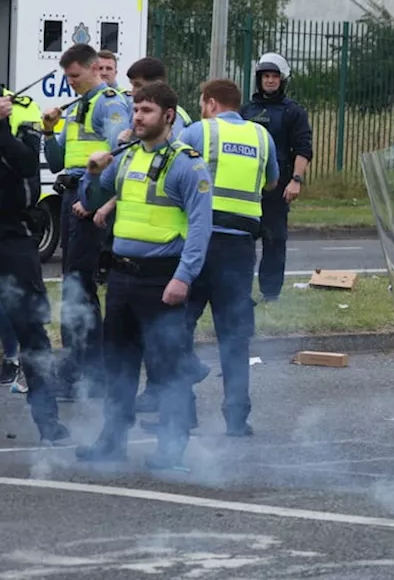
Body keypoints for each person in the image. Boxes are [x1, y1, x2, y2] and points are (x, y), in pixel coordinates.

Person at [74, 82, 213, 470]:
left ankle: (172, 448)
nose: (137, 117)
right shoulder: (128, 157)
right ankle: (112, 440)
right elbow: (93, 203)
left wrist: (183, 277)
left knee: (168, 366)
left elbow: (201, 229)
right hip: (122, 278)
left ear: (168, 116)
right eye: (136, 110)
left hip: (162, 278)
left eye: (147, 110)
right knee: (118, 363)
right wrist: (92, 174)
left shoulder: (188, 163)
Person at [178, 79, 278, 436]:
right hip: (239, 250)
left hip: (199, 244)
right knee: (234, 337)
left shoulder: (197, 132)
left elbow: (175, 177)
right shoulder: (262, 137)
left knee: (180, 325)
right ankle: (237, 418)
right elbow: (271, 182)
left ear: (209, 103)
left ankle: (182, 411)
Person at [39, 43, 132, 401]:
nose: (70, 83)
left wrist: (94, 201)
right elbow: (59, 160)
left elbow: (116, 154)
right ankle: (84, 369)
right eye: (67, 76)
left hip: (84, 196)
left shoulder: (107, 102)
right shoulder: (80, 105)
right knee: (73, 282)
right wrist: (49, 131)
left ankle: (85, 372)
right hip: (71, 192)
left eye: (75, 76)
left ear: (94, 69)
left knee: (80, 285)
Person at [0, 90, 69, 442]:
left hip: (12, 238)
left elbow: (26, 167)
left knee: (31, 334)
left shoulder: (20, 108)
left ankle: (48, 423)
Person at [241, 53, 312, 303]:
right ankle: (240, 292)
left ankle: (270, 293)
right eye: (266, 76)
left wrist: (296, 180)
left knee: (275, 239)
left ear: (282, 80)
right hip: (246, 186)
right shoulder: (246, 110)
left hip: (279, 186)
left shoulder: (294, 111)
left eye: (275, 77)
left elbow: (303, 148)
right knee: (243, 240)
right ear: (258, 79)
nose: (270, 81)